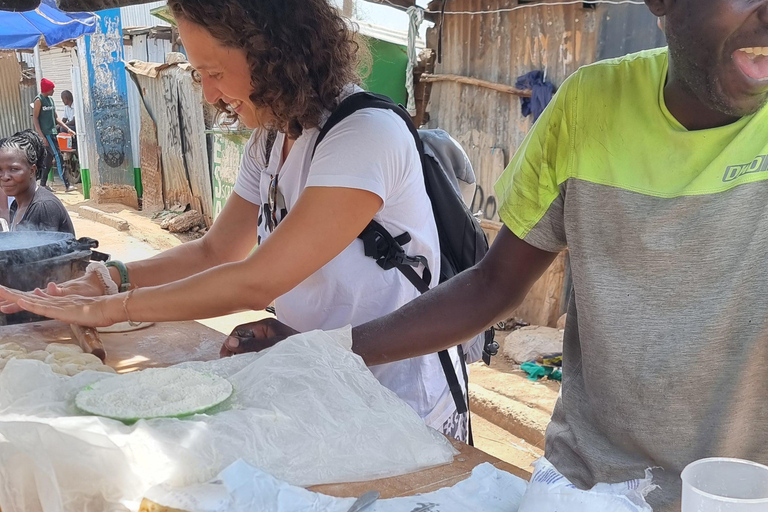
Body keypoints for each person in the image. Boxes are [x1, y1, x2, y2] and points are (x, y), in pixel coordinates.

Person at [208, 0, 766, 510]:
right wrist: (322, 351)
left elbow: (251, 273)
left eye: (214, 72)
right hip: (589, 488)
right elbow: (492, 284)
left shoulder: (366, 131)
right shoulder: (590, 107)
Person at [0, 0, 469, 441]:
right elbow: (215, 250)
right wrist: (113, 278)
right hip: (319, 378)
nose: (208, 93)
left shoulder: (364, 135)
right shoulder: (269, 141)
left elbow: (256, 281)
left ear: (274, 54)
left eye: (215, 72)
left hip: (397, 397)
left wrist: (114, 308)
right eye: (199, 73)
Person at [0, 131, 75, 235]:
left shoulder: (42, 207)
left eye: (14, 169)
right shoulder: (16, 205)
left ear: (32, 170)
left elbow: (37, 251)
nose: (5, 177)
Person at [33, 78, 76, 192]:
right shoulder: (39, 100)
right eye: (52, 89)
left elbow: (56, 118)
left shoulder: (51, 101)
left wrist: (67, 129)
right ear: (47, 89)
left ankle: (42, 185)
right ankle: (67, 184)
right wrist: (42, 136)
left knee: (48, 159)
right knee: (58, 156)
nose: (53, 91)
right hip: (46, 134)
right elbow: (35, 119)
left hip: (52, 133)